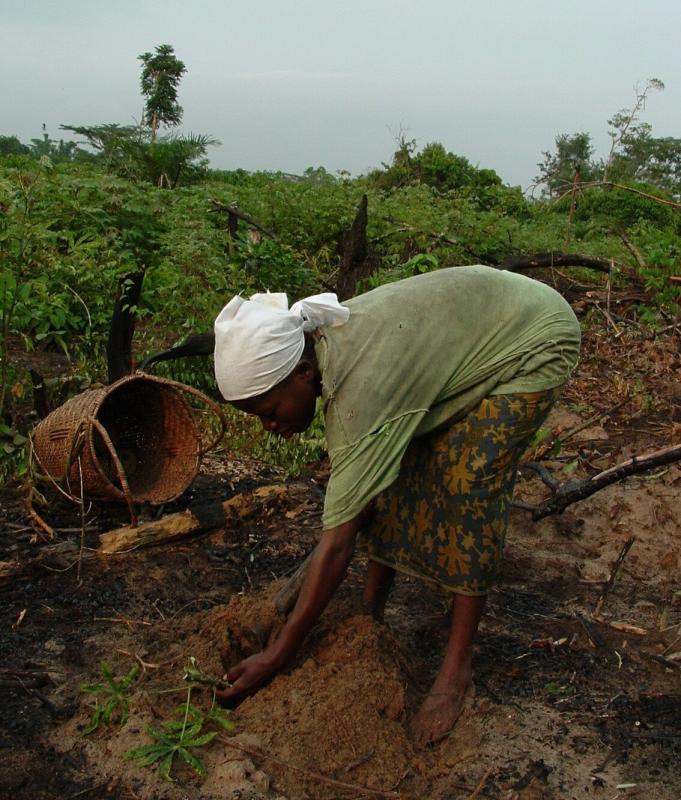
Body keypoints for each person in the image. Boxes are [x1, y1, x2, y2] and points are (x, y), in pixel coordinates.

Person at [212, 264, 581, 746]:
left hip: (534, 337)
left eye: (269, 412)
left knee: (468, 482)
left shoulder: (358, 391)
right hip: (486, 318)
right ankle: (370, 613)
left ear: (303, 372)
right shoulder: (331, 350)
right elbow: (363, 493)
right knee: (398, 465)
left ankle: (455, 671)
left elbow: (340, 541)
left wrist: (280, 652)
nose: (270, 428)